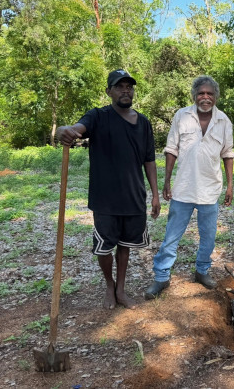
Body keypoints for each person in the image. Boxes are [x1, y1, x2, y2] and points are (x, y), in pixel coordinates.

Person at [56, 69, 161, 309]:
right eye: (119, 86)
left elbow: (149, 160)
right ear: (109, 91)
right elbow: (76, 128)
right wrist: (65, 131)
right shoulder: (98, 116)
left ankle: (121, 289)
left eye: (129, 86)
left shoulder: (144, 122)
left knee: (125, 245)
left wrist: (155, 194)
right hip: (105, 198)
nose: (126, 90)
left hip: (134, 196)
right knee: (104, 247)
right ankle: (108, 284)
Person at [145, 75, 234, 299]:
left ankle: (202, 272)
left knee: (209, 237)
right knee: (172, 236)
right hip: (183, 188)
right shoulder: (181, 116)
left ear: (215, 97)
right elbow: (171, 149)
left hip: (210, 189)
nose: (205, 97)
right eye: (201, 93)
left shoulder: (223, 121)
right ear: (194, 96)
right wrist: (166, 181)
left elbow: (228, 154)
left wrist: (230, 185)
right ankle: (162, 277)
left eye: (210, 94)